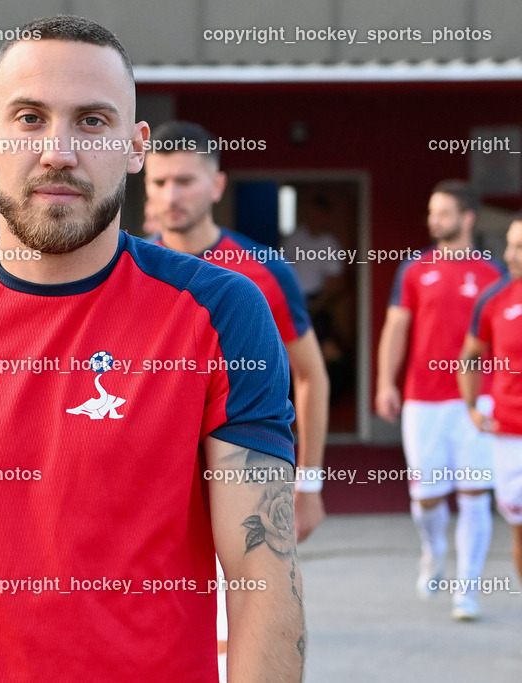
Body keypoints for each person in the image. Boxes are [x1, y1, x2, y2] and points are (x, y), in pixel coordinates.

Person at [0, 16, 305, 682]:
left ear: (136, 147)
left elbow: (262, 571)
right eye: (29, 117)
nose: (58, 150)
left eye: (93, 121)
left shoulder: (221, 314)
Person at [143, 120, 328, 678]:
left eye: (185, 181)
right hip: (158, 495)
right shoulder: (128, 270)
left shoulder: (263, 272)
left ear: (217, 185)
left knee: (240, 641)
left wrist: (309, 484)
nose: (170, 196)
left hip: (240, 486)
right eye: (157, 184)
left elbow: (312, 377)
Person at [375, 180, 504, 621]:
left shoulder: (493, 274)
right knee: (427, 498)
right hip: (422, 401)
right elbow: (396, 328)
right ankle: (433, 551)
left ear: (467, 217)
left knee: (473, 494)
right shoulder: (413, 270)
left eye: (443, 213)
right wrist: (385, 383)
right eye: (431, 212)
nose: (434, 221)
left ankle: (466, 590)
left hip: (476, 401)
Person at [458, 216, 522, 587]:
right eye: (509, 245)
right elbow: (469, 357)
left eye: (519, 247)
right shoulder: (495, 299)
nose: (509, 255)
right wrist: (471, 406)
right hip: (510, 434)